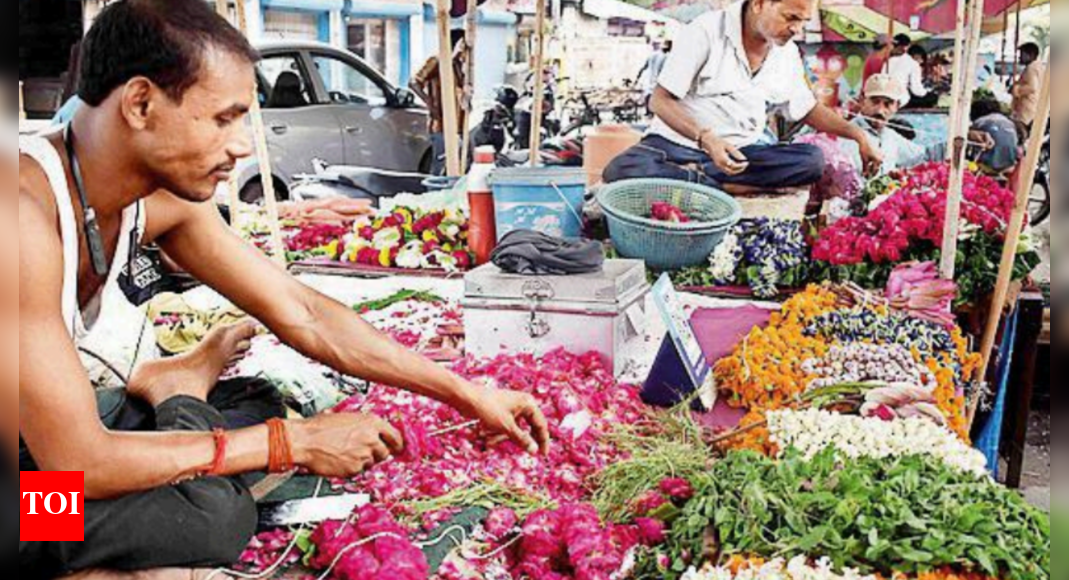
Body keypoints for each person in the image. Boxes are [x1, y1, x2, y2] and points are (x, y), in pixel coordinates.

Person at [17, 3, 549, 580]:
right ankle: (180, 396)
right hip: (26, 497)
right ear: (141, 103)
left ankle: (179, 394)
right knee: (208, 515)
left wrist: (466, 394)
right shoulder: (18, 214)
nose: (243, 145)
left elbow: (303, 312)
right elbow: (80, 462)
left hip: (40, 445)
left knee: (255, 399)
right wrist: (288, 444)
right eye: (225, 119)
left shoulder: (154, 200)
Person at [603, 0, 883, 198]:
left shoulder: (786, 54)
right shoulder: (705, 32)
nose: (797, 29)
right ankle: (718, 185)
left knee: (812, 160)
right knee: (620, 170)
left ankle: (700, 181)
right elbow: (660, 101)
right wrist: (705, 138)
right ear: (760, 3)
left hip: (739, 156)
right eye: (791, 18)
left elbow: (807, 109)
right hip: (678, 146)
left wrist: (857, 134)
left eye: (803, 21)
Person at [840, 75, 926, 174]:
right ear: (862, 100)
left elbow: (923, 156)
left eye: (888, 104)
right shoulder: (845, 135)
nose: (880, 111)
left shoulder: (891, 137)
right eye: (875, 102)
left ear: (896, 106)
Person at [887, 34, 929, 108]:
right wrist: (927, 93)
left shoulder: (887, 61)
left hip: (886, 97)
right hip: (902, 100)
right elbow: (917, 90)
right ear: (906, 47)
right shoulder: (913, 63)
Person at [1012, 42, 1046, 130]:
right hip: (1036, 109)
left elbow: (1032, 88)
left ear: (1030, 55)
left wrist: (1015, 89)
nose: (1020, 57)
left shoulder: (1031, 68)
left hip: (1027, 111)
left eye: (1022, 54)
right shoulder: (1040, 67)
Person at [637, 40, 673, 105]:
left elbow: (643, 68)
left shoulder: (652, 55)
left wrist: (637, 78)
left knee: (648, 93)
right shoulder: (667, 57)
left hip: (650, 79)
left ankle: (648, 112)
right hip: (660, 80)